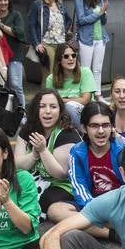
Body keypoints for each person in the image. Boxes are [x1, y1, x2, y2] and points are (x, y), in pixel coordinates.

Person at [15, 87, 78, 223]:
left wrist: (43, 151)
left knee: (42, 200)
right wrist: (33, 155)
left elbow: (61, 173)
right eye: (42, 106)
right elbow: (18, 164)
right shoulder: (28, 129)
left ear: (60, 110)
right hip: (34, 180)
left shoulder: (66, 133)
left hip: (63, 185)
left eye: (53, 106)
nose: (47, 111)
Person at [69, 100, 125, 239]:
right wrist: (95, 209)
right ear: (84, 128)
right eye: (94, 126)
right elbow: (79, 186)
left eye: (106, 125)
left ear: (112, 127)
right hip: (93, 204)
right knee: (56, 210)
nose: (101, 131)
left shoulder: (124, 150)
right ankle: (112, 234)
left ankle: (99, 227)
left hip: (121, 205)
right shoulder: (77, 152)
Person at [73, 0, 109, 95]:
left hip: (101, 38)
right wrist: (99, 13)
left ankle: (98, 95)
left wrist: (104, 13)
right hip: (86, 39)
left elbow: (103, 22)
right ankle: (86, 95)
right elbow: (81, 20)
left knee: (97, 70)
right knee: (86, 70)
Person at [0, 0, 29, 112]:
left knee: (15, 85)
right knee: (3, 86)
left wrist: (1, 25)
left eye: (5, 0)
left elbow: (19, 33)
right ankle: (7, 112)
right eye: (0, 0)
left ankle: (22, 112)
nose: (3, 3)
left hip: (14, 55)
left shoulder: (15, 15)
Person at [43, 42, 94, 126]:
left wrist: (62, 100)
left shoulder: (85, 72)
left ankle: (81, 134)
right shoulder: (50, 79)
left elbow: (85, 100)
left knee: (69, 107)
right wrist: (75, 98)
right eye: (66, 56)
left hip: (85, 113)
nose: (71, 59)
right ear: (59, 60)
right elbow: (50, 102)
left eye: (73, 55)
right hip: (61, 115)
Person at [28, 0, 71, 68]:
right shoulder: (38, 5)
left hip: (61, 44)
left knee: (61, 73)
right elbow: (31, 25)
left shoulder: (60, 4)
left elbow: (68, 20)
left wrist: (64, 31)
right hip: (47, 44)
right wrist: (36, 43)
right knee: (50, 74)